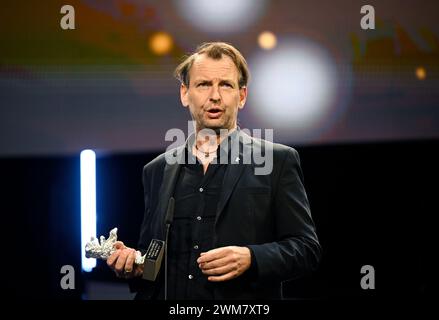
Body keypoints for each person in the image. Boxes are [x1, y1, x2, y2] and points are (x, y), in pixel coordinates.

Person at [107, 42, 321, 299]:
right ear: (185, 93)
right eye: (204, 84)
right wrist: (135, 265)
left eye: (226, 85)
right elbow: (152, 261)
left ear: (242, 96)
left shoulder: (277, 161)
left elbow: (306, 249)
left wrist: (252, 258)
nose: (215, 96)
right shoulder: (157, 170)